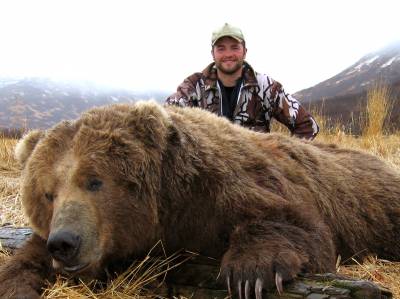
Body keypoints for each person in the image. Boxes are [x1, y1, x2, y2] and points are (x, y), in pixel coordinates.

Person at [166, 23, 319, 139]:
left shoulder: (265, 86)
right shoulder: (194, 86)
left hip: (256, 176)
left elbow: (307, 126)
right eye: (221, 48)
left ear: (245, 51)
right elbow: (167, 118)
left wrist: (287, 165)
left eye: (234, 47)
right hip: (208, 175)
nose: (228, 54)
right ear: (212, 53)